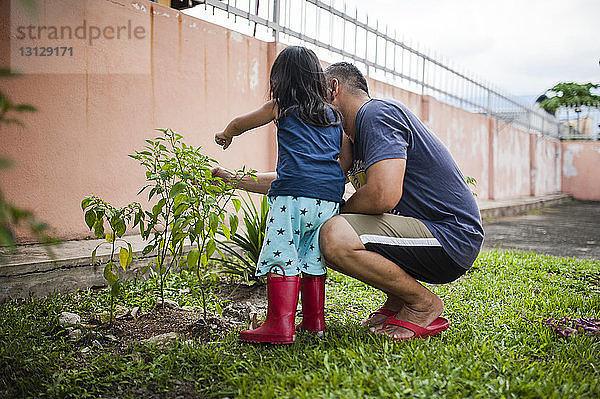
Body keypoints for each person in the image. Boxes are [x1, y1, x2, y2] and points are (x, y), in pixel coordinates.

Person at [318, 62, 484, 340]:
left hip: (451, 235)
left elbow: (384, 194)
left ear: (333, 88)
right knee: (337, 228)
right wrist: (237, 179)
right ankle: (397, 300)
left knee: (335, 235)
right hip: (423, 234)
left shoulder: (376, 114)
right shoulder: (353, 137)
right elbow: (304, 177)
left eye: (316, 96)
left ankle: (422, 303)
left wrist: (342, 214)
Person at [214, 46, 348, 344]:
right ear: (317, 78)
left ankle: (279, 326)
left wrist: (226, 134)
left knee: (283, 254)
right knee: (313, 258)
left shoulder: (281, 106)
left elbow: (240, 123)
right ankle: (315, 323)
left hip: (292, 197)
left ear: (280, 78)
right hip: (328, 200)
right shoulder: (334, 116)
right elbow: (344, 157)